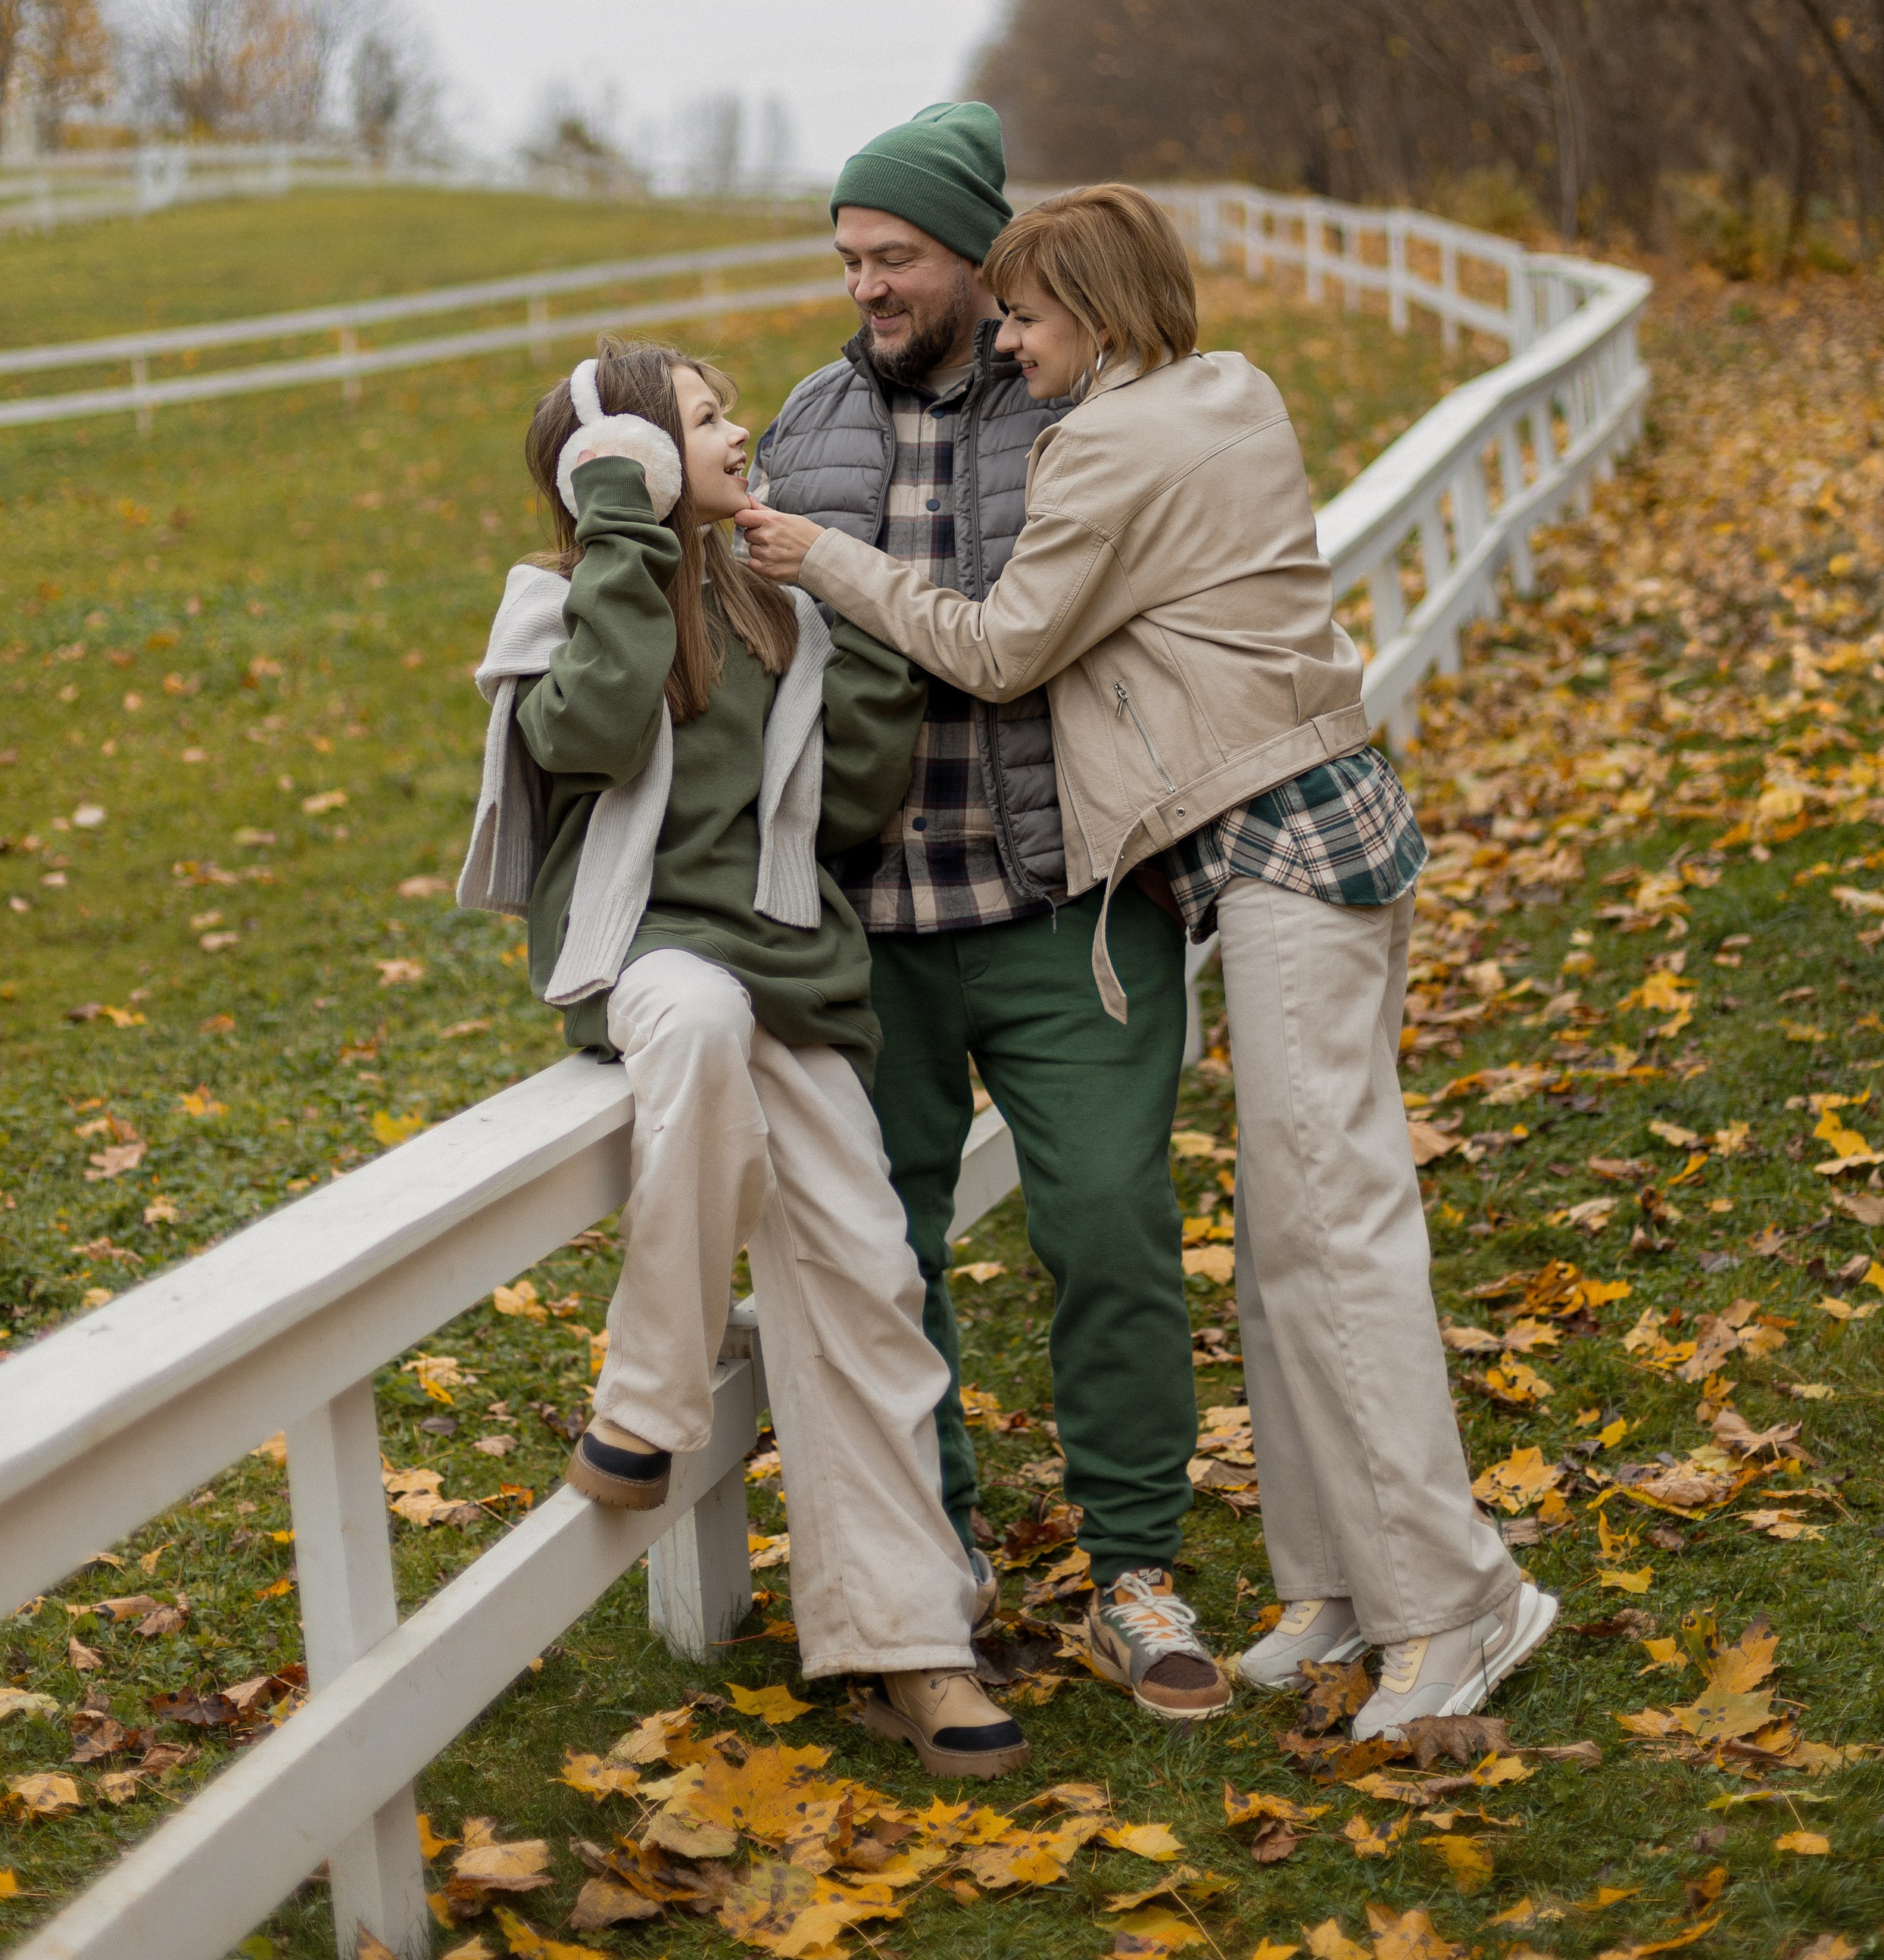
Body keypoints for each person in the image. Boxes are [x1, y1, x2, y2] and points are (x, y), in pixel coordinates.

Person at [741, 182, 1558, 1740]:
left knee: (1330, 1229)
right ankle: (1333, 1582)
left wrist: (822, 560)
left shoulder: (1106, 441)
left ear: (1096, 322)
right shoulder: (1227, 387)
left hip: (1272, 844)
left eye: (1031, 319)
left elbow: (995, 650)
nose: (1011, 343)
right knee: (1281, 1229)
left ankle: (1452, 1599)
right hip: (1309, 823)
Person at [457, 337, 1028, 1779]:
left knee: (873, 1284)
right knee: (699, 1022)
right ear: (631, 462)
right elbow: (586, 731)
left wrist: (868, 632)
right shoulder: (568, 597)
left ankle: (912, 1645)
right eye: (704, 417)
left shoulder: (781, 598)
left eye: (727, 412)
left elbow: (848, 811)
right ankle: (646, 1405)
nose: (740, 428)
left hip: (792, 961)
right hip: (646, 954)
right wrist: (628, 542)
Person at [747, 105, 1231, 1726]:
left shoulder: (1078, 408)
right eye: (848, 260)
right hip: (865, 929)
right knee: (883, 1261)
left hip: (1065, 904)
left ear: (975, 255)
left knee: (1106, 1224)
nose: (867, 287)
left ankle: (1135, 1570)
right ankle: (928, 1568)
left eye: (894, 258)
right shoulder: (804, 424)